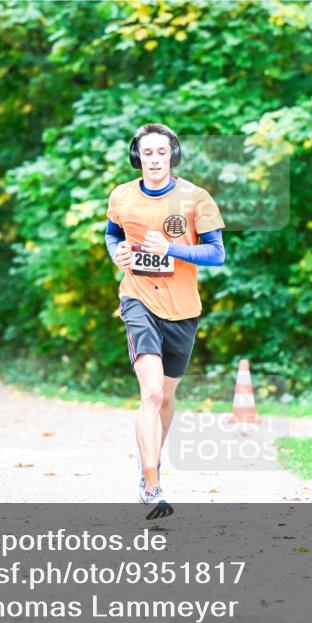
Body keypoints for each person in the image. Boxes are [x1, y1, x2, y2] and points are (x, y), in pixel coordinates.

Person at [104, 123, 226, 518]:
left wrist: (172, 248)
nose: (154, 159)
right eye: (147, 153)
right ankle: (152, 484)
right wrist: (117, 254)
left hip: (183, 309)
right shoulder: (122, 195)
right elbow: (111, 234)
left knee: (168, 398)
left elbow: (216, 254)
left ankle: (147, 464)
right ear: (136, 156)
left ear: (172, 155)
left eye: (161, 152)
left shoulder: (196, 198)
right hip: (138, 299)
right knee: (152, 393)